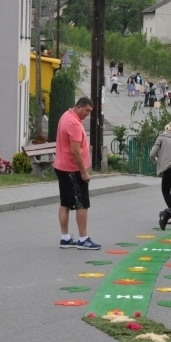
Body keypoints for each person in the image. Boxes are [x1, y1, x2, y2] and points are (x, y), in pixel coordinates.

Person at [54, 97, 101, 250]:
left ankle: (65, 237)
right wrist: (83, 172)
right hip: (72, 169)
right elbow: (75, 151)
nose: (88, 114)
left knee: (65, 203)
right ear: (79, 107)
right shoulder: (73, 123)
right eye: (87, 110)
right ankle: (83, 238)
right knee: (82, 203)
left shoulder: (66, 115)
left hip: (61, 166)